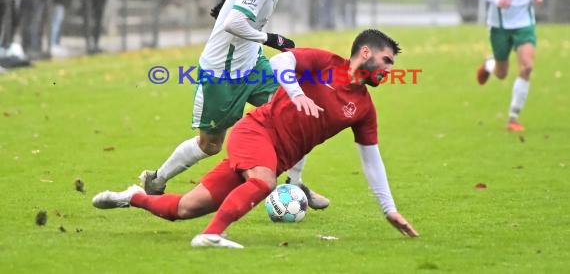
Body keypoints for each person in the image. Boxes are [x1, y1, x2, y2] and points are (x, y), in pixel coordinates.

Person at [93, 29, 419, 248]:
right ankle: (211, 236)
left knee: (185, 208)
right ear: (365, 53)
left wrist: (388, 209)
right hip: (255, 133)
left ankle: (132, 197)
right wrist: (295, 92)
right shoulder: (324, 62)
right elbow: (279, 61)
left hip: (273, 157)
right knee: (263, 184)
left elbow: (372, 160)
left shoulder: (363, 108)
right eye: (387, 60)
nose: (390, 69)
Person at [139, 0, 330, 210]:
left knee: (297, 113)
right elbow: (233, 23)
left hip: (253, 65)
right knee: (210, 146)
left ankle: (295, 184)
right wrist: (269, 38)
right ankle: (157, 179)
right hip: (222, 75)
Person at [470, 0, 543, 132]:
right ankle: (489, 64)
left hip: (524, 20)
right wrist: (496, 0)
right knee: (502, 73)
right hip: (500, 21)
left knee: (527, 66)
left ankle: (513, 117)